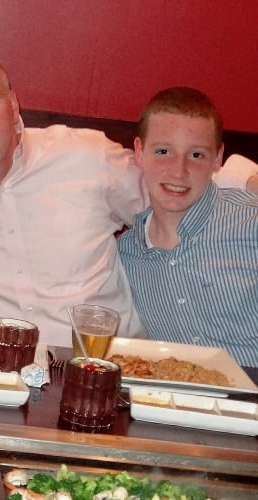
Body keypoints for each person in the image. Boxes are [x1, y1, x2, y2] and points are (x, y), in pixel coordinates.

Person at [0, 46, 257, 347]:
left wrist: (245, 177)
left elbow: (172, 178)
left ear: (13, 105)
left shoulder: (84, 156)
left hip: (117, 373)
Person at [118, 87, 258, 367]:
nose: (178, 171)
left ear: (217, 158)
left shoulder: (250, 225)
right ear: (139, 152)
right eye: (163, 151)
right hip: (177, 403)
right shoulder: (125, 255)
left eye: (196, 155)